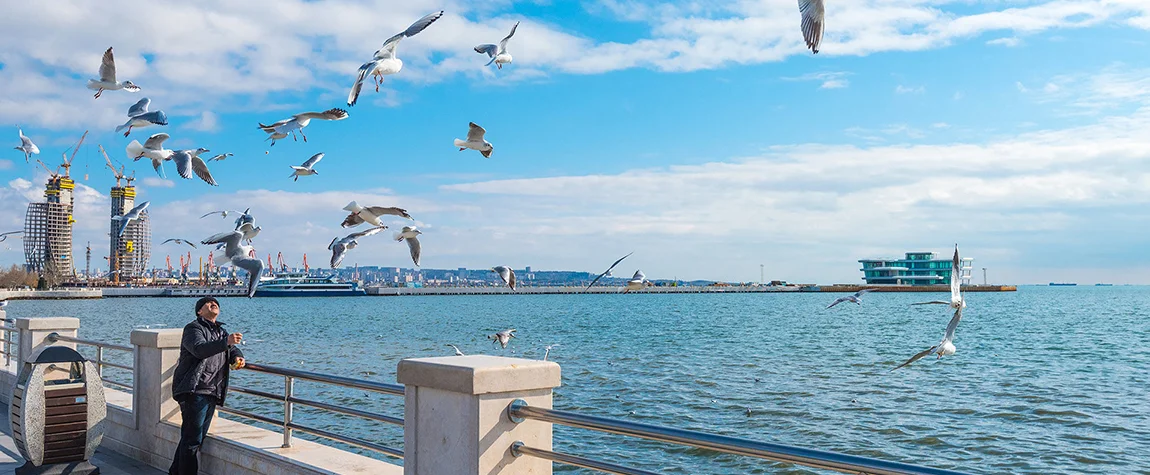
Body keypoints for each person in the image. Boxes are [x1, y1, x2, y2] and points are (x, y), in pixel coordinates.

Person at [169, 296, 245, 475]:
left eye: (216, 303)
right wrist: (226, 342)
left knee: (193, 438)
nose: (214, 304)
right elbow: (199, 349)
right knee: (192, 440)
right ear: (199, 311)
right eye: (208, 303)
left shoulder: (221, 331)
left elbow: (232, 349)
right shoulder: (193, 328)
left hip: (212, 391)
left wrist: (237, 357)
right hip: (194, 390)